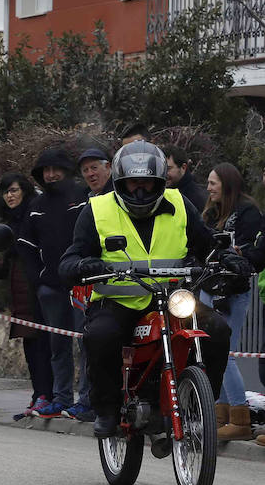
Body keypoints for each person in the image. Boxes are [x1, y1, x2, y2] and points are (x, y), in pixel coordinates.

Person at [59, 140, 249, 438]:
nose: (140, 192)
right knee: (100, 336)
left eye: (148, 185)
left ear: (160, 183)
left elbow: (206, 242)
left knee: (218, 331)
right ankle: (107, 408)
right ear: (120, 183)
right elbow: (71, 258)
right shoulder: (97, 209)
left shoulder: (180, 204)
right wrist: (84, 266)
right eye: (133, 185)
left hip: (171, 300)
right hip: (117, 304)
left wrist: (226, 258)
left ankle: (201, 406)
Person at [22, 147, 93, 420]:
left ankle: (85, 400)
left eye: (56, 170)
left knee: (85, 344)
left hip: (81, 286)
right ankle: (61, 398)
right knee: (57, 347)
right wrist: (38, 279)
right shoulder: (36, 207)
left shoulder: (83, 198)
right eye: (45, 171)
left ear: (66, 170)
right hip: (50, 289)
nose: (51, 175)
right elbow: (25, 246)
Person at [200, 163, 263, 441]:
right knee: (211, 351)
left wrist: (234, 250)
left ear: (227, 183)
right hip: (208, 284)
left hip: (233, 289)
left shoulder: (248, 211)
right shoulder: (211, 211)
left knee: (227, 352)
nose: (209, 188)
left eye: (213, 183)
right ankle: (220, 414)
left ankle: (240, 416)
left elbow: (251, 252)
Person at [0, 172, 54, 416]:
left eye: (14, 190)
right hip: (20, 293)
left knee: (43, 346)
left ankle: (46, 395)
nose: (9, 195)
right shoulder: (10, 222)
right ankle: (37, 394)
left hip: (37, 290)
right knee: (31, 345)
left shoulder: (34, 216)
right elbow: (10, 261)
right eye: (6, 191)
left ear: (25, 191)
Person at [164, 145, 208, 214]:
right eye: (161, 168)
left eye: (168, 168)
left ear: (183, 167)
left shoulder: (195, 199)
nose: (164, 173)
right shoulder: (157, 191)